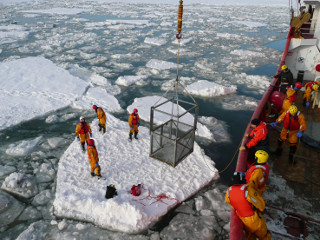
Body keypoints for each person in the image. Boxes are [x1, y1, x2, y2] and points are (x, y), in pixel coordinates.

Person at [225, 172, 271, 240]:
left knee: (250, 236)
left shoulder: (229, 191)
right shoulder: (247, 190)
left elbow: (229, 201)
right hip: (254, 219)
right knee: (264, 235)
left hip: (243, 219)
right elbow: (260, 204)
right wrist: (261, 209)